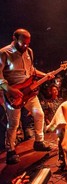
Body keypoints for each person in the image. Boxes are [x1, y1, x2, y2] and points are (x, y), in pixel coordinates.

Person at [0, 28, 53, 164]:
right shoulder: (4, 53)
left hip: (29, 91)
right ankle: (10, 151)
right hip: (13, 94)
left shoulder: (29, 52)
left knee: (39, 114)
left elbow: (31, 70)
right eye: (23, 43)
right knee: (14, 123)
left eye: (28, 43)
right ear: (14, 38)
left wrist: (45, 75)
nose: (26, 46)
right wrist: (9, 89)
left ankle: (39, 142)